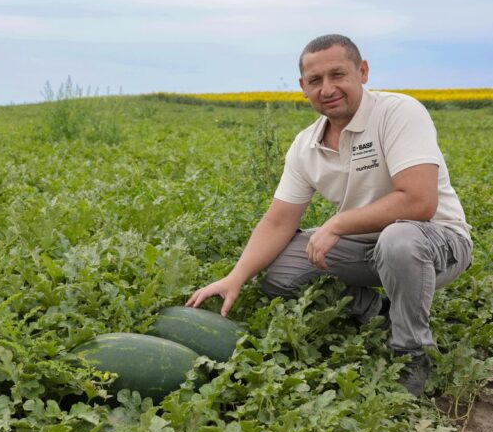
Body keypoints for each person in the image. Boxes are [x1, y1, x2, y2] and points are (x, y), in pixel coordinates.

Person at [186, 34, 472, 396]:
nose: (327, 88)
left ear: (362, 71)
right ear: (303, 87)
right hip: (366, 247)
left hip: (435, 244)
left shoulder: (398, 113)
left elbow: (419, 202)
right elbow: (278, 221)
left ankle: (412, 351)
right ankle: (383, 312)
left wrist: (337, 223)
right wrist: (236, 277)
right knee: (280, 272)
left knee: (398, 239)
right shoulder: (306, 144)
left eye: (338, 75)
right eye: (315, 81)